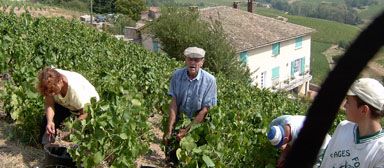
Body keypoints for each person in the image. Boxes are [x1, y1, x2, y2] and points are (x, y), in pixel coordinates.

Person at [163, 46, 217, 162]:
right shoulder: (177, 75)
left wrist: (187, 130)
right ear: (186, 60)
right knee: (171, 156)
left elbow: (205, 110)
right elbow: (174, 103)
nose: (193, 62)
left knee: (190, 159)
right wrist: (170, 129)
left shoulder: (210, 80)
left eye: (197, 60)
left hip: (197, 124)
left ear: (202, 62)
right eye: (190, 59)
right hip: (179, 119)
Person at [319, 78, 384, 168]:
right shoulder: (343, 127)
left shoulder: (380, 151)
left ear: (364, 110)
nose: (345, 105)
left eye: (348, 101)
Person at [37, 67, 99, 144]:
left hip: (86, 106)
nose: (52, 94)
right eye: (50, 92)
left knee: (75, 138)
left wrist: (69, 131)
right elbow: (49, 103)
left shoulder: (76, 91)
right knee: (45, 135)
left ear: (60, 81)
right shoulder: (49, 79)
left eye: (53, 91)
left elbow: (85, 113)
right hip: (64, 102)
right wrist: (50, 121)